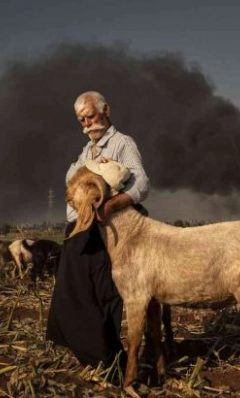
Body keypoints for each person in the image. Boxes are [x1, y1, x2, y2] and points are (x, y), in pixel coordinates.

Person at [46, 91, 150, 370]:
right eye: (81, 120)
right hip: (82, 228)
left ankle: (108, 357)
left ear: (106, 110)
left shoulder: (122, 143)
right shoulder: (86, 152)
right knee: (75, 291)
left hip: (106, 229)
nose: (86, 123)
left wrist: (109, 206)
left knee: (104, 294)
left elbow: (141, 183)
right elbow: (73, 181)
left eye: (90, 116)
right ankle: (91, 351)